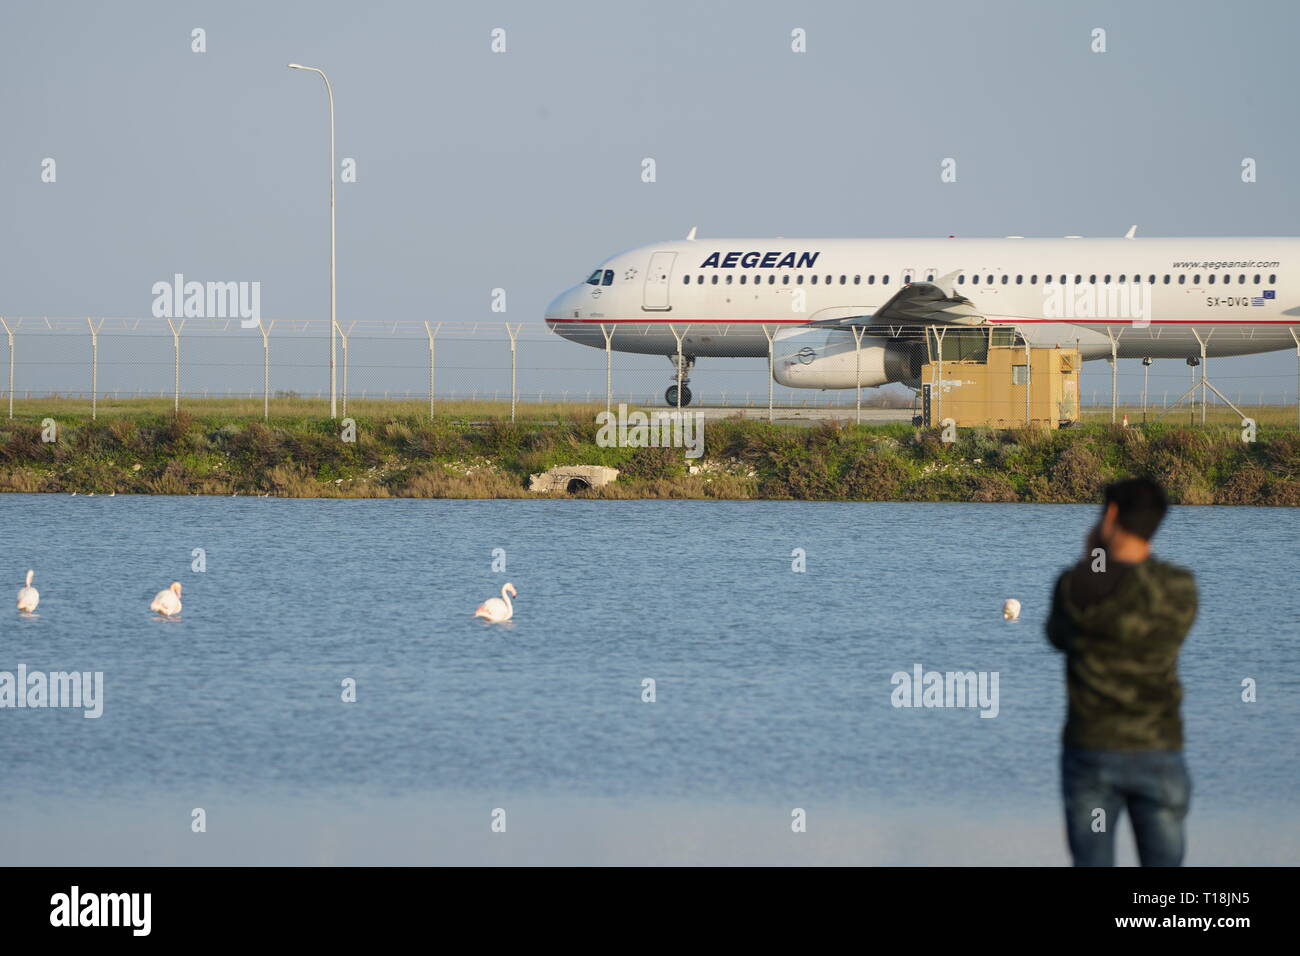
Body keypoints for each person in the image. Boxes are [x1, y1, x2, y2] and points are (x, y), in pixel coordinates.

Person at [1046, 477, 1198, 866]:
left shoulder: (1076, 585)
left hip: (1092, 751)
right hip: (1159, 749)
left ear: (1111, 515)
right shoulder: (1179, 587)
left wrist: (1091, 557)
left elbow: (1058, 636)